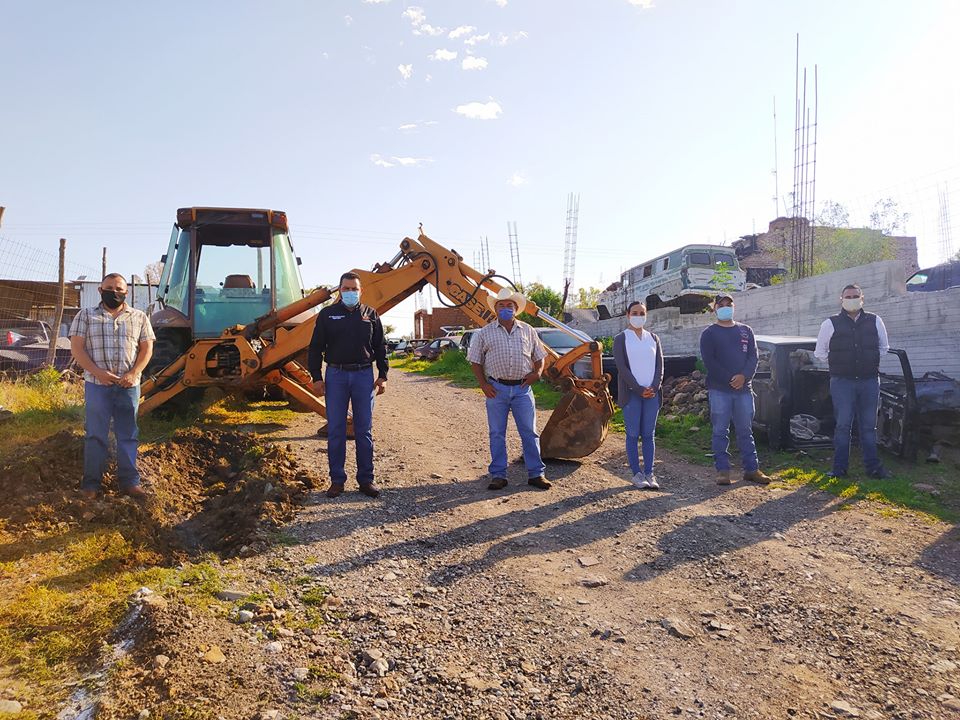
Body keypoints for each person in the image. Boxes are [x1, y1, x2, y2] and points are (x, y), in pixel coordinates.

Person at [69, 273, 155, 500]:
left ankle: (130, 482)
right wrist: (97, 373)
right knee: (96, 435)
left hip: (129, 386)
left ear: (126, 292)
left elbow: (146, 349)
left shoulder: (139, 317)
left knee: (128, 434)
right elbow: (77, 348)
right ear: (100, 290)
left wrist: (134, 373)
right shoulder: (85, 316)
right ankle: (91, 485)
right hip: (97, 385)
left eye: (119, 288)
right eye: (109, 288)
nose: (114, 292)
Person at [308, 272, 388, 499]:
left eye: (354, 289)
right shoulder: (327, 314)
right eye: (346, 288)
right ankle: (337, 480)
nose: (350, 292)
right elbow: (315, 347)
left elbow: (380, 346)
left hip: (363, 376)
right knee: (336, 429)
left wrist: (382, 375)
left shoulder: (370, 314)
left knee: (364, 430)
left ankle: (366, 480)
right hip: (336, 375)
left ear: (360, 291)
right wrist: (316, 377)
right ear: (340, 290)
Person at [467, 288, 551, 491]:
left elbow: (540, 356)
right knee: (497, 433)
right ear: (496, 309)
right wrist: (483, 384)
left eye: (509, 306)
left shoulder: (528, 330)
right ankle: (498, 475)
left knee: (529, 433)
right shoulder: (484, 332)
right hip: (497, 389)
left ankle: (536, 474)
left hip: (522, 389)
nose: (506, 309)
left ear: (516, 309)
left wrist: (537, 373)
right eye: (501, 306)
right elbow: (475, 361)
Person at [814, 283, 892, 479]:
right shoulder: (830, 324)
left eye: (855, 296)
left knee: (868, 426)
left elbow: (884, 347)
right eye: (847, 297)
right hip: (842, 382)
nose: (851, 300)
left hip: (869, 381)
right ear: (841, 300)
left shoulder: (875, 321)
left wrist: (867, 363)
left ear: (862, 298)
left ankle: (873, 468)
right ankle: (839, 469)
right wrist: (841, 365)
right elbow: (820, 352)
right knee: (843, 426)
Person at [699, 293, 772, 486]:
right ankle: (723, 471)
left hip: (744, 390)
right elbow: (709, 361)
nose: (725, 307)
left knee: (745, 430)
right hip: (719, 389)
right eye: (721, 304)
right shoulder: (709, 333)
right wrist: (729, 379)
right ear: (714, 308)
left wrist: (743, 377)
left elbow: (753, 358)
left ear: (734, 306)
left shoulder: (746, 331)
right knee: (720, 431)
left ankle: (752, 469)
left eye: (728, 304)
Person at [612, 301, 664, 489]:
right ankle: (636, 473)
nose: (638, 316)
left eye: (642, 313)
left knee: (649, 434)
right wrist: (638, 388)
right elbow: (622, 367)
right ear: (628, 315)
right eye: (635, 312)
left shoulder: (653, 338)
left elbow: (660, 365)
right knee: (633, 434)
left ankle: (650, 473)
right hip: (632, 394)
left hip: (652, 394)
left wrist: (654, 387)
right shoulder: (621, 339)